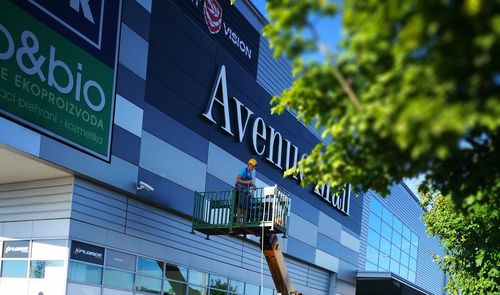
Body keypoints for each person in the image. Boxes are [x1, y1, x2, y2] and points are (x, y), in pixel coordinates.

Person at [234, 159, 257, 223]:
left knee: (247, 205)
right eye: (253, 166)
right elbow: (237, 179)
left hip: (245, 191)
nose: (253, 168)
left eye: (254, 167)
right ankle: (238, 220)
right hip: (240, 189)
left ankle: (244, 221)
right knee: (240, 204)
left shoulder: (250, 173)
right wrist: (246, 182)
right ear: (249, 164)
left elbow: (249, 183)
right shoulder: (243, 170)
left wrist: (253, 185)